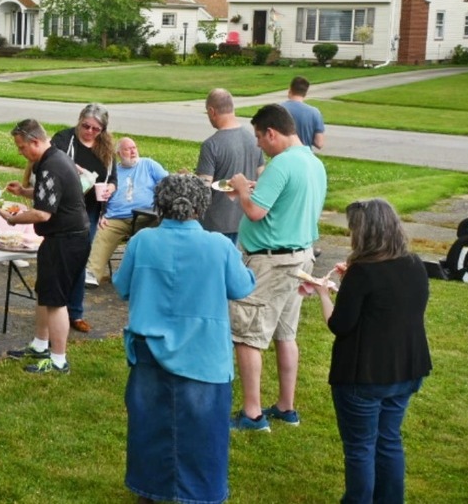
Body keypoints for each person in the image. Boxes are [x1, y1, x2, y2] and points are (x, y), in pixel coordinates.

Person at [114, 174, 256, 504]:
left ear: (159, 205)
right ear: (202, 206)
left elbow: (121, 286)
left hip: (150, 348)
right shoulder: (219, 245)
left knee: (150, 427)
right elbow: (242, 287)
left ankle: (150, 490)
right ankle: (200, 494)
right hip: (203, 353)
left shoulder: (142, 241)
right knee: (204, 432)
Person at [300, 199, 432, 504]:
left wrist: (322, 291)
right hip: (406, 368)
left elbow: (340, 324)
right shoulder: (414, 264)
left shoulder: (363, 273)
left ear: (364, 233)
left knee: (360, 447)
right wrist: (351, 286)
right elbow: (389, 305)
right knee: (388, 441)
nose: (350, 235)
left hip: (365, 375)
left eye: (352, 230)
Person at [228, 103, 327, 431]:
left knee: (248, 334)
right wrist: (255, 194)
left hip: (272, 262)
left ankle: (253, 414)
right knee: (286, 334)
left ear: (272, 133)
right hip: (300, 257)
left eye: (259, 137)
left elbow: (255, 212)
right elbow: (284, 205)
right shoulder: (313, 162)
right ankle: (286, 407)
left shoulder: (281, 164)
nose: (258, 144)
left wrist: (242, 188)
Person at [3, 119, 90, 374]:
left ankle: (58, 359)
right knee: (45, 292)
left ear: (35, 142)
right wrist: (24, 192)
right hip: (66, 238)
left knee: (56, 300)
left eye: (21, 147)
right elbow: (51, 194)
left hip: (67, 239)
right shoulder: (56, 158)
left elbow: (43, 214)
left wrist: (12, 218)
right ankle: (40, 345)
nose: (20, 152)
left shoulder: (51, 165)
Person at [50, 104, 116, 332]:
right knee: (60, 259)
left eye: (95, 129)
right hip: (64, 208)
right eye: (85, 126)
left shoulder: (106, 148)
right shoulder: (64, 139)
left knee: (79, 259)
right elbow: (49, 163)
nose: (89, 131)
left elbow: (113, 177)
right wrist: (73, 169)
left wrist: (110, 189)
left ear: (103, 130)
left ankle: (75, 312)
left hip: (89, 210)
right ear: (79, 121)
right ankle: (54, 308)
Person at [85, 137, 167, 287]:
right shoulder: (112, 172)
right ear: (119, 153)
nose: (133, 151)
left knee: (156, 232)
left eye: (134, 147)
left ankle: (149, 275)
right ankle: (92, 274)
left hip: (146, 217)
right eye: (127, 149)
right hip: (117, 218)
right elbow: (101, 197)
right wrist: (101, 214)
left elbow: (169, 184)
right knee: (103, 232)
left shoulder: (148, 165)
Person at [196, 88, 265, 246]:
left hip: (216, 226)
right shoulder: (254, 140)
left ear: (212, 111)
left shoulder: (211, 145)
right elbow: (263, 177)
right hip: (246, 222)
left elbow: (203, 190)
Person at [280, 76, 326, 151]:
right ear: (305, 93)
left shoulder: (279, 109)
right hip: (305, 156)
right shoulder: (314, 112)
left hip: (283, 154)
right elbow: (319, 143)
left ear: (290, 90)